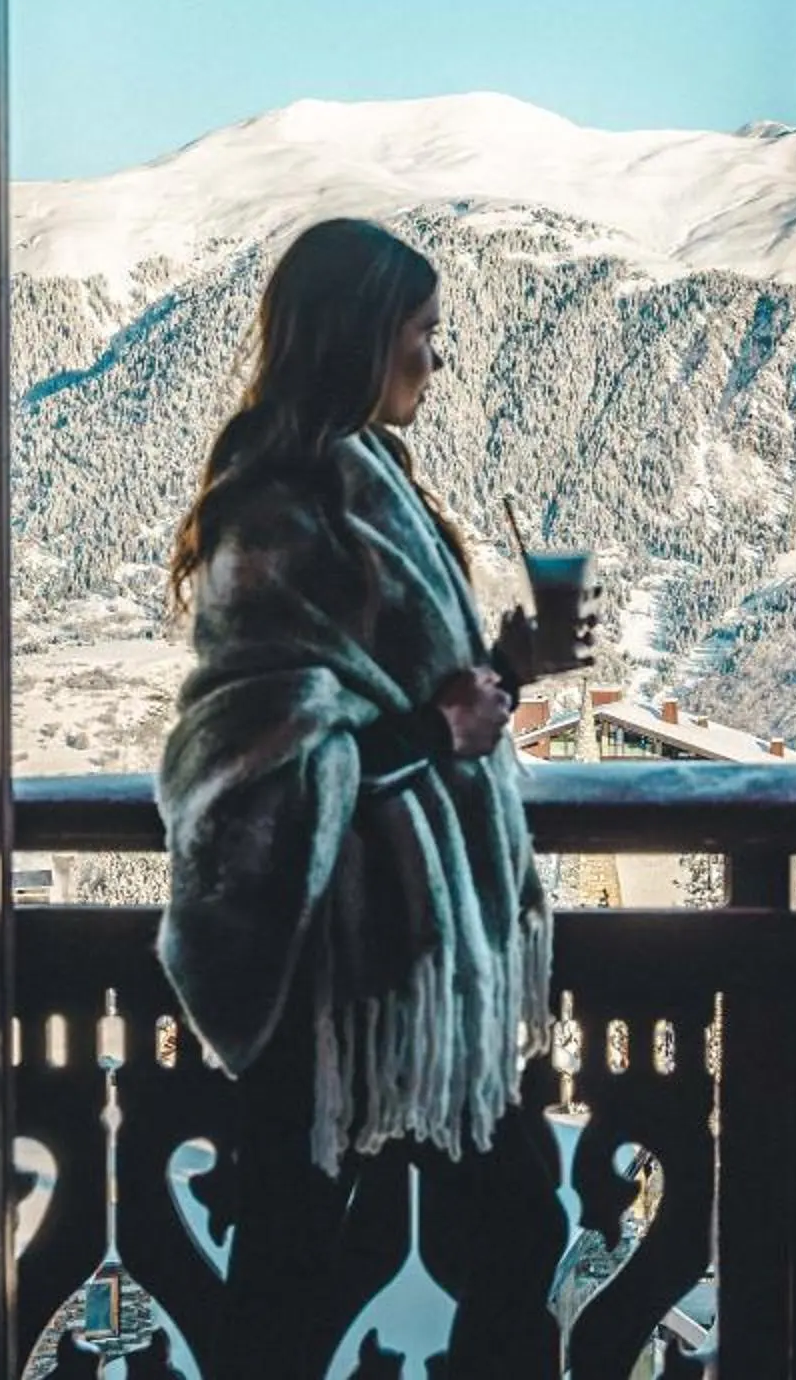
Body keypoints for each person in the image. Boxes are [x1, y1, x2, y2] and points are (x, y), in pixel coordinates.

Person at [160, 218, 563, 1376]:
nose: (435, 361)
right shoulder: (277, 505)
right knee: (300, 1256)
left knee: (469, 1230)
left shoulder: (371, 473)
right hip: (346, 961)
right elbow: (251, 750)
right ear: (355, 339)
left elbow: (381, 689)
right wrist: (439, 727)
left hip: (419, 954)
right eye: (421, 335)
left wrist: (506, 671)